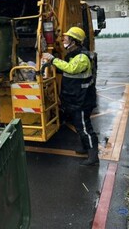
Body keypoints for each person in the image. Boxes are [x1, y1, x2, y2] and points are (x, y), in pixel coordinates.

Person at [42, 26, 99, 166]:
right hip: (76, 98)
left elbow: (71, 69)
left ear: (74, 41)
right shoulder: (72, 55)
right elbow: (67, 72)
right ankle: (84, 147)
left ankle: (93, 156)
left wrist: (53, 59)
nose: (63, 40)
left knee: (85, 127)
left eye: (66, 38)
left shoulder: (82, 57)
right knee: (78, 124)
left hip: (83, 99)